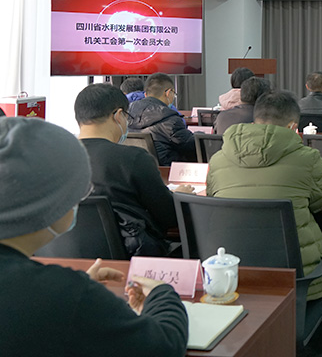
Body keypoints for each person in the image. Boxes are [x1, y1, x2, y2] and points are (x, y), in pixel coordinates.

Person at [0, 117, 188, 356]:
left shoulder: (52, 292)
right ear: (53, 200)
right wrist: (163, 294)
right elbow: (164, 347)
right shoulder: (62, 295)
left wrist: (75, 291)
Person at [206, 91, 322, 300]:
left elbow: (212, 198)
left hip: (232, 274)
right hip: (295, 280)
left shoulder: (218, 158)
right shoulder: (307, 158)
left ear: (255, 121)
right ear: (293, 127)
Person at [76, 83, 190, 256]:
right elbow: (169, 218)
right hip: (131, 260)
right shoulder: (133, 158)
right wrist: (179, 195)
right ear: (118, 115)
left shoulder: (52, 159)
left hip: (65, 259)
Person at [128, 73, 196, 166]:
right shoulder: (170, 119)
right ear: (168, 93)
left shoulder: (127, 113)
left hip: (134, 169)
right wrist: (200, 134)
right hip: (166, 170)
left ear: (145, 95)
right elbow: (191, 145)